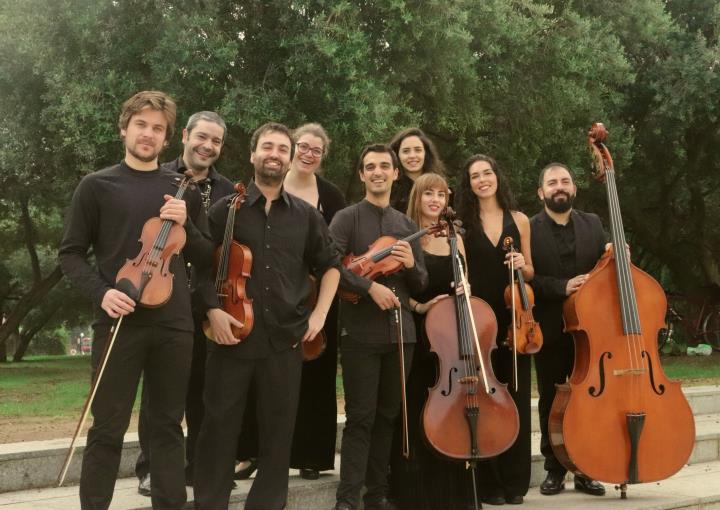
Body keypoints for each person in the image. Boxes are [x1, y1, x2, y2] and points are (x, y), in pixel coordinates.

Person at [58, 90, 212, 510]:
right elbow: (70, 254)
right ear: (124, 128)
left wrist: (189, 225)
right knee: (107, 428)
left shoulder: (184, 190)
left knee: (166, 426)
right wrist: (103, 292)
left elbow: (205, 256)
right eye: (141, 124)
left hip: (174, 324)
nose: (148, 134)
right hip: (119, 320)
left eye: (157, 128)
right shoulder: (96, 186)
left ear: (167, 139)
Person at [193, 122, 341, 510]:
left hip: (284, 339)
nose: (275, 154)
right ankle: (211, 503)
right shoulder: (226, 210)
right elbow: (201, 269)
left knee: (278, 433)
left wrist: (320, 315)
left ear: (290, 158)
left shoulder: (307, 216)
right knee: (218, 428)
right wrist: (212, 311)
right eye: (267, 147)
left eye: (282, 148)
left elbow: (331, 266)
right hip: (232, 337)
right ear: (253, 155)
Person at [134, 111, 236, 495]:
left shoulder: (229, 190)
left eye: (216, 141)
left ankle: (193, 467)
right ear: (186, 137)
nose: (207, 146)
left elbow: (215, 252)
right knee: (160, 393)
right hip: (164, 296)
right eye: (202, 137)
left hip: (209, 300)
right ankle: (150, 468)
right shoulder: (157, 177)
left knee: (202, 390)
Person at [330, 144, 428, 510]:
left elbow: (420, 283)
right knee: (360, 417)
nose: (378, 172)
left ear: (395, 173)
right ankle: (347, 499)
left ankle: (377, 495)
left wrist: (411, 263)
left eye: (384, 166)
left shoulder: (407, 226)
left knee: (388, 416)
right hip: (359, 334)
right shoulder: (346, 218)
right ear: (361, 174)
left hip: (402, 335)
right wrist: (369, 287)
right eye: (370, 167)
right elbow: (331, 264)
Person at [389, 173, 475, 510]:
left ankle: (453, 491)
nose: (436, 200)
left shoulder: (456, 237)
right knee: (416, 406)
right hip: (418, 333)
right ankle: (414, 495)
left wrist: (465, 290)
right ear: (418, 198)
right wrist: (420, 306)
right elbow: (400, 289)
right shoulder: (407, 236)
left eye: (441, 194)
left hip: (452, 338)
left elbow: (467, 283)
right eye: (429, 194)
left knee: (450, 411)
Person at [458, 154, 534, 506]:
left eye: (488, 172)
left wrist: (523, 264)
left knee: (516, 398)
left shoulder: (519, 220)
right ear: (469, 184)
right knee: (486, 401)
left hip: (514, 322)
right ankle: (489, 482)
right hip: (479, 323)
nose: (482, 179)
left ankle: (516, 482)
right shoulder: (461, 224)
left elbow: (530, 271)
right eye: (475, 176)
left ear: (497, 177)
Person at [530, 162, 606, 497]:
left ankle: (587, 468)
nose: (559, 186)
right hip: (549, 327)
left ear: (574, 188)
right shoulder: (529, 228)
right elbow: (528, 279)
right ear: (541, 192)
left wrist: (616, 254)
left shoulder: (594, 224)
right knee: (551, 398)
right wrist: (562, 286)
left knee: (591, 401)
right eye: (552, 182)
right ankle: (554, 469)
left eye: (565, 181)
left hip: (592, 329)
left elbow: (604, 270)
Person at [388, 128, 447, 214]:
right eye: (406, 151)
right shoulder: (389, 192)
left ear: (425, 153)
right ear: (397, 155)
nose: (412, 155)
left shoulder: (440, 187)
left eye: (418, 150)